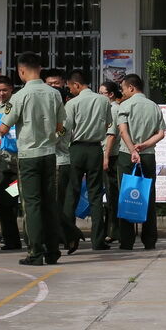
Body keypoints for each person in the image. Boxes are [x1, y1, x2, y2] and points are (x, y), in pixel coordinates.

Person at [0, 52, 64, 266]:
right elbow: (62, 127)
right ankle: (53, 251)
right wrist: (53, 139)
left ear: (21, 71)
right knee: (49, 203)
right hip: (49, 156)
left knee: (32, 205)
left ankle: (35, 253)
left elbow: (5, 126)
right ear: (40, 68)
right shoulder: (55, 94)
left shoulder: (19, 97)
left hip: (28, 157)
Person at [116, 74, 166, 250]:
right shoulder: (154, 106)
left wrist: (132, 150)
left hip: (127, 155)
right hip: (148, 156)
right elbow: (161, 133)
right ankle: (149, 239)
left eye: (123, 88)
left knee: (127, 196)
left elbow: (123, 131)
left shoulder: (125, 106)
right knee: (148, 196)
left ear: (131, 88)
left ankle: (127, 241)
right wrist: (143, 146)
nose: (122, 92)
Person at [65, 69, 113, 250]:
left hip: (76, 149)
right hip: (95, 149)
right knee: (96, 196)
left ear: (76, 85)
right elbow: (108, 123)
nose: (70, 91)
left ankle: (69, 237)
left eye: (70, 87)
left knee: (72, 194)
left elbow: (67, 129)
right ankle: (98, 240)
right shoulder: (103, 100)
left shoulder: (72, 104)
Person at [0, 76, 22, 250]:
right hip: (7, 166)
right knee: (6, 202)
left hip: (21, 166)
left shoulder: (16, 103)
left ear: (11, 89)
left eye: (5, 90)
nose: (1, 93)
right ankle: (12, 241)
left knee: (28, 203)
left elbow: (4, 130)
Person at [54, 84, 86, 255]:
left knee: (56, 204)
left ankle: (71, 233)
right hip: (60, 162)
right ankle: (67, 235)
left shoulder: (63, 116)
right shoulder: (60, 114)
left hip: (60, 162)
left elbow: (56, 139)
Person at [99, 80, 123, 243]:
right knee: (111, 195)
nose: (100, 97)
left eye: (102, 94)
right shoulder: (112, 108)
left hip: (112, 156)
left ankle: (114, 231)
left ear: (111, 94)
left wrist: (106, 157)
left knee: (112, 195)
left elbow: (111, 135)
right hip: (112, 155)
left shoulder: (113, 109)